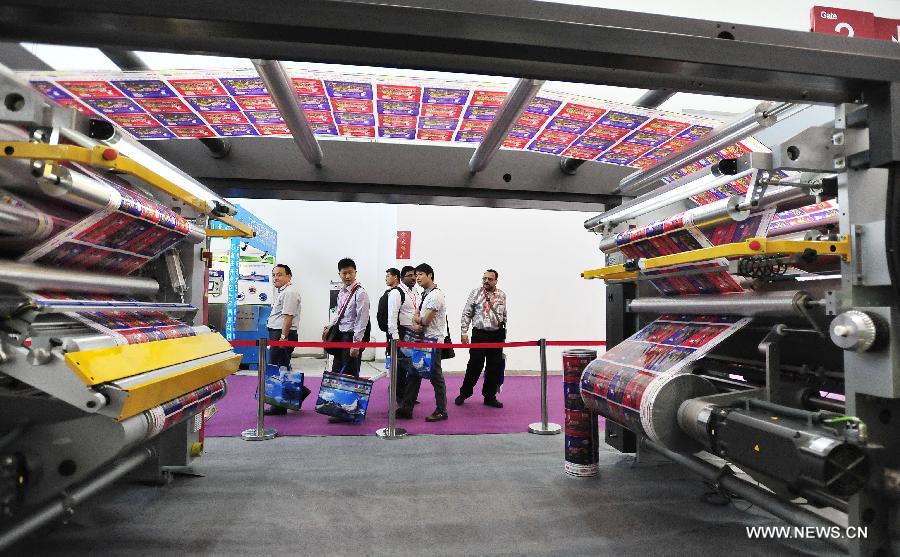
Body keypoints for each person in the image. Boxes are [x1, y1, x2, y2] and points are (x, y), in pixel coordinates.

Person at [396, 263, 448, 422]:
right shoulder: (423, 294)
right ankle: (406, 408)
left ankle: (441, 410)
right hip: (420, 339)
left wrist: (418, 321)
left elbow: (425, 319)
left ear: (430, 275)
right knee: (413, 373)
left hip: (433, 341)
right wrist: (416, 322)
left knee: (436, 377)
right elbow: (416, 316)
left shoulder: (436, 295)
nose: (417, 278)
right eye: (415, 275)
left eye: (420, 274)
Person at [456, 269, 507, 408]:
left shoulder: (502, 295)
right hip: (479, 334)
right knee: (474, 365)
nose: (486, 281)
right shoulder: (475, 293)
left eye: (490, 279)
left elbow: (504, 315)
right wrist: (464, 332)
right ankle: (464, 393)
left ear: (496, 281)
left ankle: (489, 396)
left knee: (494, 367)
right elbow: (467, 313)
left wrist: (504, 336)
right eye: (484, 278)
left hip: (496, 335)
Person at [264, 264, 310, 415]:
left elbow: (288, 317)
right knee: (282, 368)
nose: (276, 278)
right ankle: (297, 393)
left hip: (282, 334)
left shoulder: (290, 292)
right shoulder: (282, 291)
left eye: (280, 274)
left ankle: (279, 405)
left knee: (279, 369)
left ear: (289, 276)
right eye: (274, 275)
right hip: (277, 333)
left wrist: (283, 337)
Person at [322, 257, 371, 377]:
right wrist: (330, 326)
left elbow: (362, 320)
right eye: (344, 273)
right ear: (339, 274)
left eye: (350, 272)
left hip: (352, 337)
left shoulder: (361, 293)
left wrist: (356, 344)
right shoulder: (342, 292)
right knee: (337, 370)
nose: (348, 276)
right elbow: (339, 314)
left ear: (355, 273)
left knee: (350, 374)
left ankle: (350, 396)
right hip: (340, 335)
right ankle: (336, 396)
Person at [380, 267, 414, 405]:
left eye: (388, 276)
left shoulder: (411, 292)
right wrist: (394, 336)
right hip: (400, 334)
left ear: (395, 277)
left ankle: (405, 395)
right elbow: (391, 316)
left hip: (409, 333)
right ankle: (400, 398)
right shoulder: (395, 292)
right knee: (400, 367)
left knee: (407, 367)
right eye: (410, 275)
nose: (414, 278)